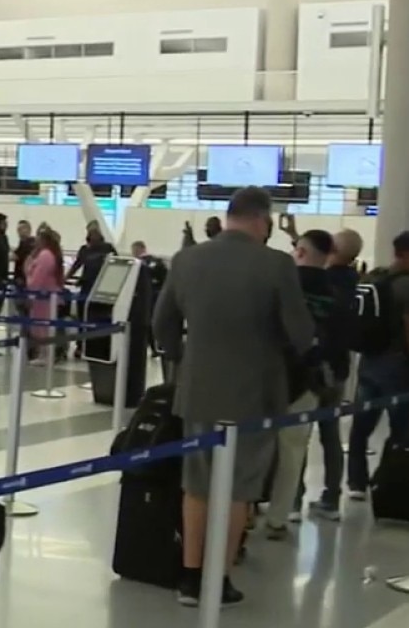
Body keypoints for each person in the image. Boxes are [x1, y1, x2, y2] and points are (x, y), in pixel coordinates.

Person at [152, 187, 313, 607]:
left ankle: (189, 576)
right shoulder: (276, 264)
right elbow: (301, 333)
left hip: (199, 388)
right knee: (240, 488)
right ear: (262, 221)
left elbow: (162, 322)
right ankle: (219, 579)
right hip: (255, 395)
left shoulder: (188, 259)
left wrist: (181, 360)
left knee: (197, 483)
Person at [347, 230, 409, 500]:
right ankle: (384, 481)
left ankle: (357, 484)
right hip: (397, 366)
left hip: (369, 362)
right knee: (401, 430)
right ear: (405, 254)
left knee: (361, 427)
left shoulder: (374, 276)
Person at [264, 229, 339, 540]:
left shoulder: (281, 284)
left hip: (269, 376)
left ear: (302, 252)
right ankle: (280, 516)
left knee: (257, 448)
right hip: (309, 380)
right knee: (293, 451)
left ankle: (247, 510)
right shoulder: (335, 291)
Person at [306, 228, 363, 519]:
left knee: (299, 434)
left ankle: (291, 500)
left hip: (314, 367)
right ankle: (331, 496)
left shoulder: (322, 283)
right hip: (340, 367)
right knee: (330, 435)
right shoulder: (357, 282)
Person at [24, 229, 64, 364]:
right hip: (45, 296)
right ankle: (44, 354)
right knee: (43, 325)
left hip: (43, 297)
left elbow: (37, 278)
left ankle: (46, 355)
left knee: (43, 326)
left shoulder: (45, 255)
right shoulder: (49, 254)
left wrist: (31, 294)